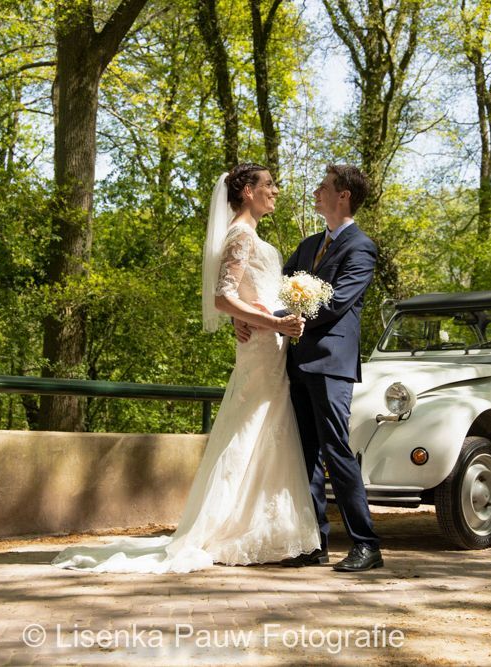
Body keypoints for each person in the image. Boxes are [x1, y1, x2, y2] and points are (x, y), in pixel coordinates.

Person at [51, 164, 320, 573]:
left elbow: (245, 297)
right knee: (247, 433)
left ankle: (265, 530)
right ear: (247, 191)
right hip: (262, 348)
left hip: (271, 347)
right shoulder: (239, 236)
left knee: (267, 433)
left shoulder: (252, 237)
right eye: (268, 185)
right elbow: (223, 297)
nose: (276, 191)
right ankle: (223, 529)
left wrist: (272, 318)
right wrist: (274, 323)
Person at [238, 164, 382, 572]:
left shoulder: (360, 247)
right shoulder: (308, 245)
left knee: (337, 451)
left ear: (344, 196)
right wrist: (253, 316)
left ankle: (367, 544)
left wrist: (288, 319)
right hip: (296, 361)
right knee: (304, 455)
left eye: (324, 188)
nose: (316, 192)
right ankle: (314, 542)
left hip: (332, 364)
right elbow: (277, 289)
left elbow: (338, 302)